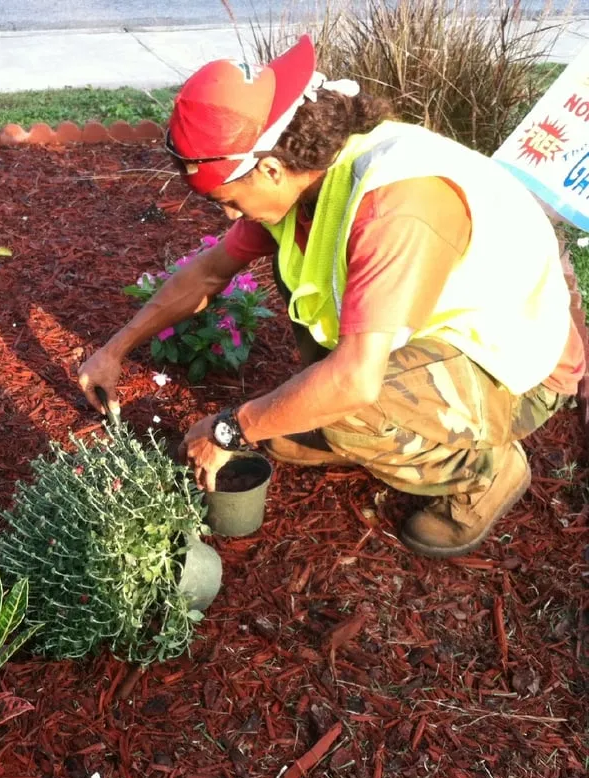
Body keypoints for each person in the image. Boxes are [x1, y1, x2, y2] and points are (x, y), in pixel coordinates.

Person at [76, 34, 586, 559]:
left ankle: (487, 473)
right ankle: (376, 416)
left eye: (228, 201)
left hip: (516, 368)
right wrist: (115, 348)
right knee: (314, 396)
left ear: (269, 168)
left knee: (345, 408)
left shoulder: (397, 202)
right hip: (436, 333)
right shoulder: (302, 180)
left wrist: (230, 429)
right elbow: (208, 272)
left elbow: (356, 380)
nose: (228, 215)